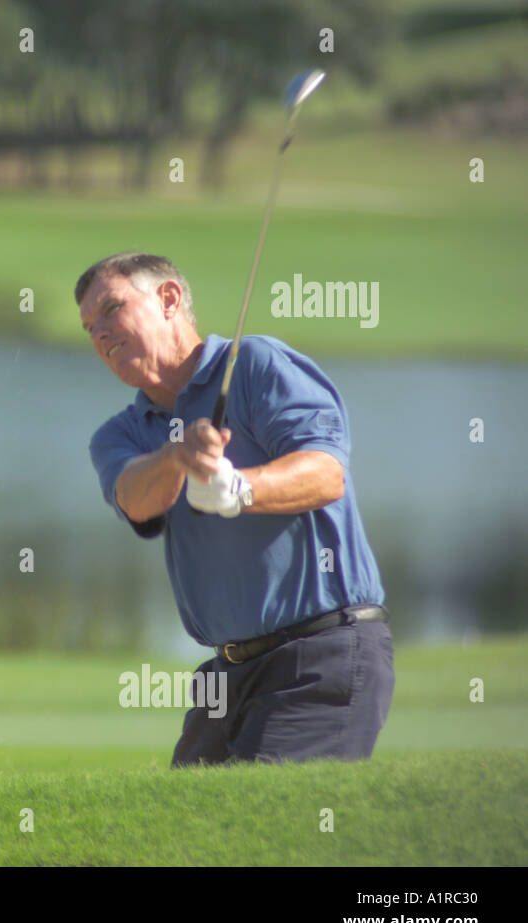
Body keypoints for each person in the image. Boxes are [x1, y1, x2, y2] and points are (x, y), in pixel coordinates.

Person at [77, 251, 394, 766]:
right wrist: (177, 458)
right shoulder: (121, 435)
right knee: (181, 835)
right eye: (90, 327)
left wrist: (237, 489)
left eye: (111, 309)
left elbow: (325, 472)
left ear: (169, 298)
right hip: (226, 673)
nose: (100, 334)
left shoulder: (256, 366)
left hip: (322, 652)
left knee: (263, 831)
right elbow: (137, 499)